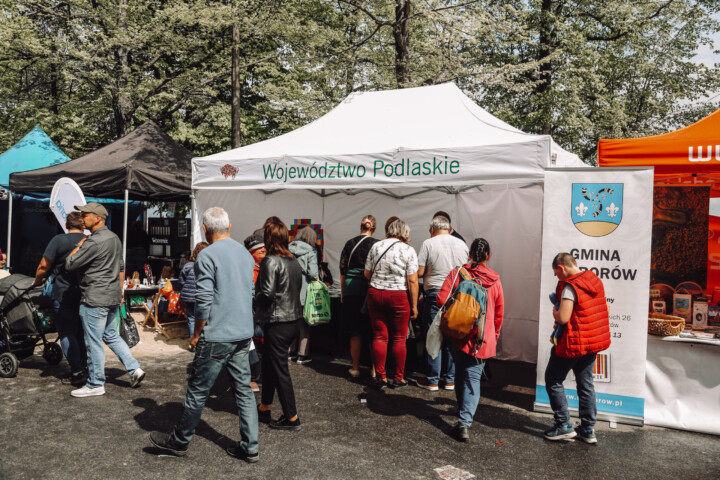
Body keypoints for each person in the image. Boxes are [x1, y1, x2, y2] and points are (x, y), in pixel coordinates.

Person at [149, 207, 259, 462]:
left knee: (198, 390)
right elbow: (250, 294)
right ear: (229, 227)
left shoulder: (207, 255)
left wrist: (197, 333)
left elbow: (203, 302)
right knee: (243, 389)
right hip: (243, 333)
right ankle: (250, 446)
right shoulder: (245, 254)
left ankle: (179, 441)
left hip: (218, 334)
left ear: (206, 230)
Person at [64, 202, 145, 397]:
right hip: (111, 296)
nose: (82, 218)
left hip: (95, 297)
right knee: (111, 335)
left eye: (85, 215)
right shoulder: (114, 238)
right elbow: (121, 267)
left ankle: (95, 383)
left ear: (97, 218)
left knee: (93, 341)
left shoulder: (93, 241)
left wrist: (80, 243)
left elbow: (70, 263)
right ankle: (134, 369)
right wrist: (120, 293)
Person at [436, 238, 504, 441]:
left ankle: (462, 411)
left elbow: (441, 299)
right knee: (472, 377)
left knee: (459, 372)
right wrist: (495, 334)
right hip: (482, 336)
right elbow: (499, 311)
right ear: (488, 256)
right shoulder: (495, 280)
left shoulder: (457, 273)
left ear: (470, 255)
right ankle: (464, 423)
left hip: (458, 333)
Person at [543, 252, 611, 444]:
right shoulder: (593, 279)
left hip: (574, 341)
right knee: (585, 383)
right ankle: (588, 429)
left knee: (553, 379)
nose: (557, 277)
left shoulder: (569, 287)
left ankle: (564, 425)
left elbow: (564, 317)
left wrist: (555, 312)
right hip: (592, 341)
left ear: (562, 268)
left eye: (556, 273)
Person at [255, 219, 304, 431]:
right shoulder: (293, 260)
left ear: (269, 238)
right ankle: (265, 406)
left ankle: (292, 417)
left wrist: (254, 298)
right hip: (292, 320)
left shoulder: (270, 261)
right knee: (270, 365)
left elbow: (266, 293)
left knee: (280, 369)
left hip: (277, 321)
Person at [33, 211, 88, 386]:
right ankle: (85, 368)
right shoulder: (89, 241)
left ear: (66, 225)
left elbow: (43, 266)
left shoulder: (58, 240)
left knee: (66, 332)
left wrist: (37, 281)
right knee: (80, 332)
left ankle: (77, 371)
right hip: (85, 293)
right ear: (83, 225)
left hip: (62, 293)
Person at [416, 215, 469, 392]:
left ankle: (432, 380)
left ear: (432, 229)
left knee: (434, 335)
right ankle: (450, 380)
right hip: (457, 294)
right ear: (449, 228)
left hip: (436, 294)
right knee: (452, 336)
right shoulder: (462, 244)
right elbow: (466, 271)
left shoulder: (428, 243)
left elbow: (420, 272)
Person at [364, 218, 419, 389]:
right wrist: (415, 306)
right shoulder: (409, 250)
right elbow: (412, 280)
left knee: (379, 335)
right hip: (398, 296)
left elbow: (367, 273)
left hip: (375, 293)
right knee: (399, 338)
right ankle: (398, 377)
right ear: (405, 233)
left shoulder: (376, 246)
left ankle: (381, 377)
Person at [339, 215, 379, 378]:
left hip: (350, 287)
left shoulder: (349, 243)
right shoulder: (377, 244)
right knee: (372, 329)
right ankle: (375, 369)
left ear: (360, 226)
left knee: (354, 330)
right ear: (373, 228)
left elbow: (342, 270)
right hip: (368, 287)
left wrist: (343, 292)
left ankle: (355, 368)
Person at [288, 226, 319, 365]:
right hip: (304, 291)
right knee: (304, 324)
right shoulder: (311, 251)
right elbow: (313, 274)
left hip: (288, 290)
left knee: (291, 322)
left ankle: (290, 351)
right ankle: (302, 354)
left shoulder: (288, 248)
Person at [178, 241, 209, 350]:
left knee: (191, 319)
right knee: (203, 318)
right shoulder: (207, 265)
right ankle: (202, 343)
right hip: (200, 296)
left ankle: (193, 344)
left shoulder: (187, 265)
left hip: (187, 296)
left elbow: (181, 281)